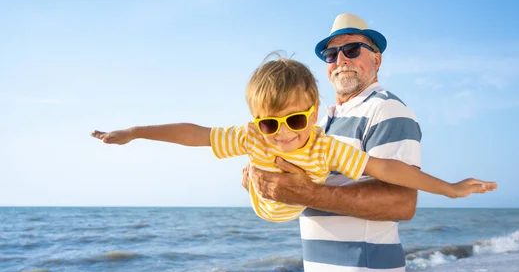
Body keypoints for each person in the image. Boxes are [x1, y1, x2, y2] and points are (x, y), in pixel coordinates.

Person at [91, 54, 495, 223]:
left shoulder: (324, 144)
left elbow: (386, 169)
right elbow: (195, 134)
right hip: (264, 210)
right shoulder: (253, 137)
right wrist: (135, 133)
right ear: (255, 120)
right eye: (270, 123)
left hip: (302, 208)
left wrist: (449, 189)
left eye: (295, 119)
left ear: (314, 113)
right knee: (248, 165)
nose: (282, 134)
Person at [245, 13, 451, 272]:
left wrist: (309, 193)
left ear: (376, 60)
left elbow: (401, 202)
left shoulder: (388, 110)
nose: (341, 58)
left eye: (352, 49)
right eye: (331, 54)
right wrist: (265, 184)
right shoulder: (321, 123)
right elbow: (300, 191)